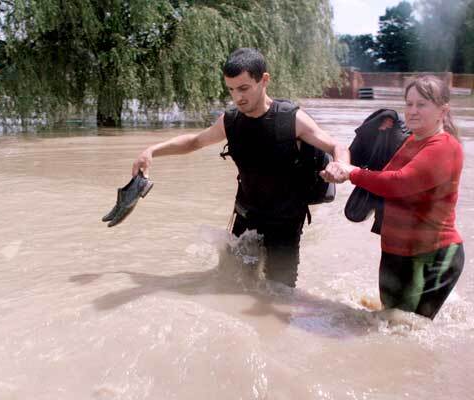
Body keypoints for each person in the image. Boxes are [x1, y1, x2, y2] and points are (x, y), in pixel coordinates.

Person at [132, 48, 350, 287]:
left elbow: (336, 146)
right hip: (246, 217)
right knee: (232, 284)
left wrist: (341, 167)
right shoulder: (231, 120)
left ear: (264, 80)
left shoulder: (291, 119)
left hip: (285, 224)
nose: (237, 97)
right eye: (231, 90)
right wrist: (152, 150)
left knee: (279, 294)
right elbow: (195, 141)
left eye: (244, 88)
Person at [321, 75, 464, 319]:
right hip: (395, 252)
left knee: (408, 329)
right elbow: (381, 179)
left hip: (430, 256)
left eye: (422, 104)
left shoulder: (444, 146)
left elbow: (399, 183)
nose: (413, 111)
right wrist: (339, 169)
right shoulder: (411, 140)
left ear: (443, 110)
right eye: (409, 104)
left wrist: (352, 173)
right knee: (387, 324)